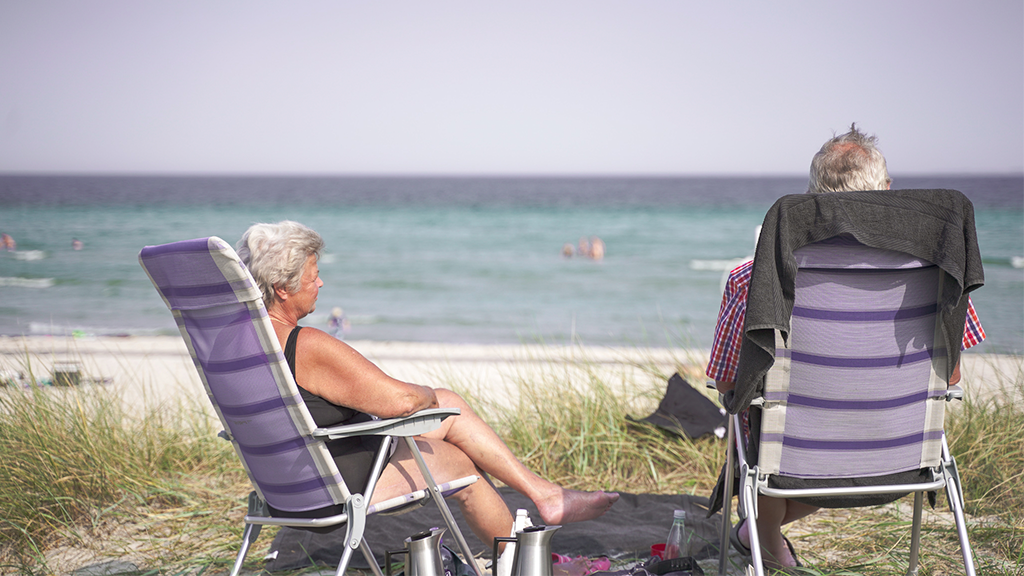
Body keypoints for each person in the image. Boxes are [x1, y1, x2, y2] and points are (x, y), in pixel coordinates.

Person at [236, 221, 618, 548]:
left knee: (449, 405)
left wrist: (432, 399)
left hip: (284, 486)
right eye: (313, 274)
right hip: (333, 490)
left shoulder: (239, 344)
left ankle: (545, 494)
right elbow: (401, 401)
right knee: (462, 465)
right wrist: (425, 395)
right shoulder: (306, 346)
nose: (321, 281)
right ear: (282, 287)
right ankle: (521, 564)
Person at [707, 124, 986, 570]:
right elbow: (950, 374)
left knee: (755, 416)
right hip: (901, 458)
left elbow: (726, 382)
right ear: (887, 193)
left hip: (794, 460)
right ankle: (763, 537)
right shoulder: (938, 273)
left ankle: (762, 537)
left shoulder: (754, 277)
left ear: (813, 199)